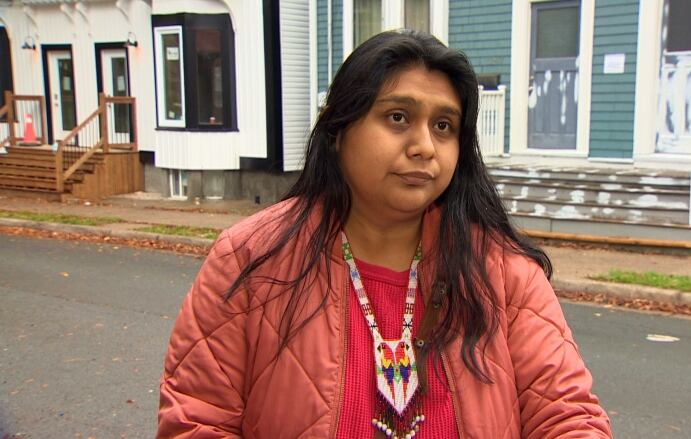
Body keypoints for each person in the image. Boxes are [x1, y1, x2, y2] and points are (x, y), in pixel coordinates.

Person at [157, 30, 612, 438]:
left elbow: (568, 416)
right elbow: (196, 421)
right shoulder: (250, 258)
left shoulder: (505, 272)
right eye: (397, 117)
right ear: (339, 130)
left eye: (443, 126)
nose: (424, 146)